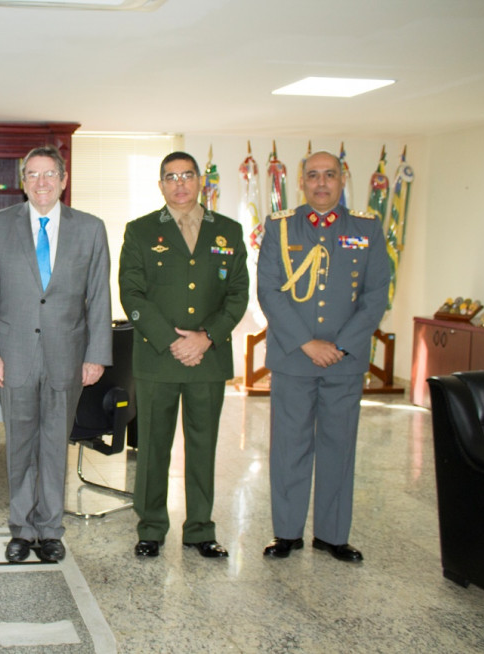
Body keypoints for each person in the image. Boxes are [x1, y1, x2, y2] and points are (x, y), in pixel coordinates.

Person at [0, 145, 112, 563]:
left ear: (63, 179)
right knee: (19, 445)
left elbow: (99, 296)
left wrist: (97, 354)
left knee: (55, 443)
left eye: (49, 174)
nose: (41, 182)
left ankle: (50, 530)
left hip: (67, 354)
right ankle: (21, 529)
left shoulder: (90, 228)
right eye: (32, 174)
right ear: (23, 182)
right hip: (13, 354)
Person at [257, 151, 389, 562]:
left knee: (338, 446)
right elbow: (269, 291)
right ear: (301, 181)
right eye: (312, 175)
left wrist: (342, 345)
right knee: (289, 447)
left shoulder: (366, 227)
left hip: (344, 362)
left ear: (342, 178)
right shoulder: (280, 228)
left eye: (329, 175)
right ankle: (288, 533)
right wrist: (307, 343)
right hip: (294, 358)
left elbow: (374, 296)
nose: (321, 182)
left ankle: (332, 535)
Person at [119, 151, 248, 559]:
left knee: (203, 445)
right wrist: (172, 340)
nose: (180, 184)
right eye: (171, 177)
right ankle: (151, 527)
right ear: (160, 185)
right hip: (158, 358)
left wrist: (206, 337)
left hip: (207, 359)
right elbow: (131, 293)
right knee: (154, 446)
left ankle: (200, 530)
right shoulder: (140, 232)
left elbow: (238, 294)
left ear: (199, 182)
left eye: (187, 175)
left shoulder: (228, 230)